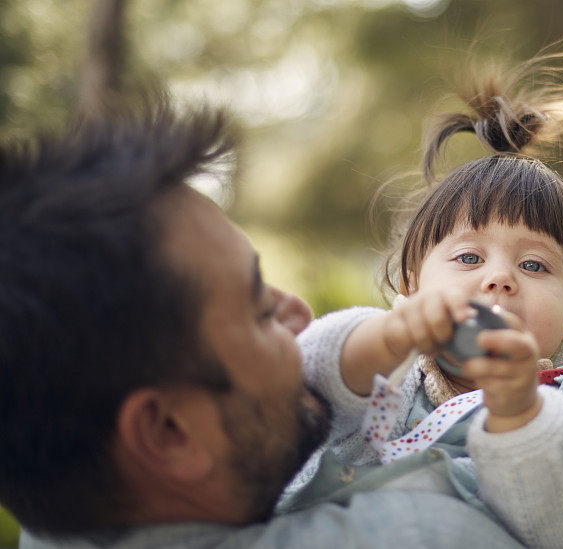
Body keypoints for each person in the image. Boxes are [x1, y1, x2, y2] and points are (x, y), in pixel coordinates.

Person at [0, 94, 527, 548]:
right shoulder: (431, 535)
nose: (299, 311)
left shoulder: (56, 516)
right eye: (258, 310)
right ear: (168, 431)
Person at [282, 56, 563, 548]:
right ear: (412, 288)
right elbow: (311, 385)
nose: (500, 279)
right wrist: (383, 339)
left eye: (534, 266)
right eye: (469, 257)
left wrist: (520, 415)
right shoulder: (393, 378)